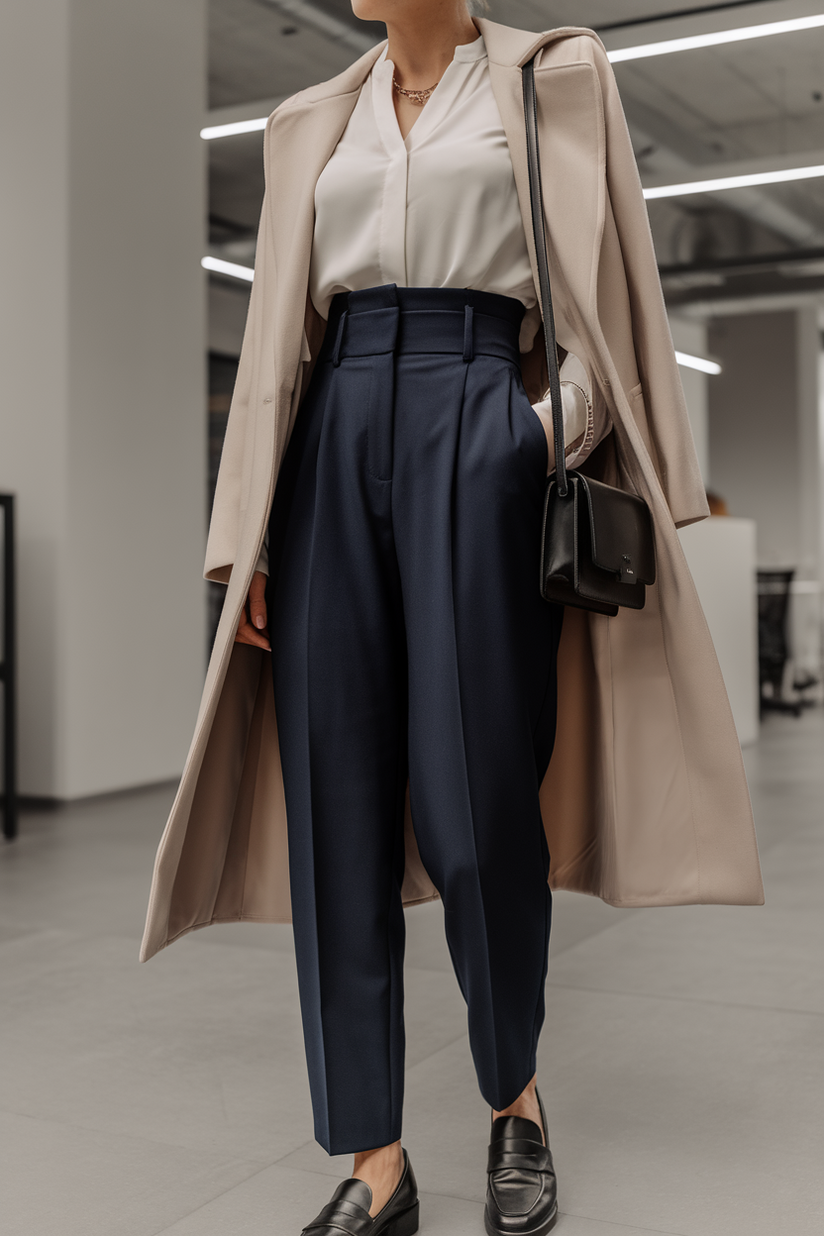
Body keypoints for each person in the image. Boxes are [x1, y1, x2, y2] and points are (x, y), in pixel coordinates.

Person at [141, 5, 764, 1235]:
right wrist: (246, 535)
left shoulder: (553, 79)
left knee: (478, 801)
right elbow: (278, 344)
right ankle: (374, 1159)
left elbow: (616, 294)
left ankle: (513, 1105)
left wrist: (531, 435)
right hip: (328, 438)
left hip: (476, 408)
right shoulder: (311, 119)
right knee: (336, 809)